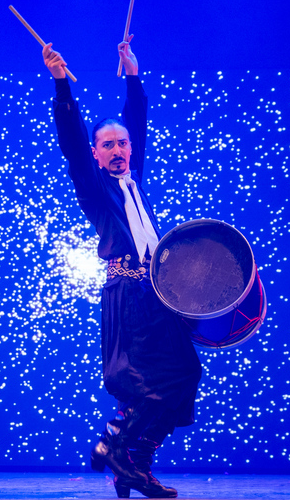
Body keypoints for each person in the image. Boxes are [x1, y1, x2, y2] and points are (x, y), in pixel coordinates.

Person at [42, 38, 202, 498]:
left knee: (184, 374)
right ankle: (121, 452)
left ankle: (129, 456)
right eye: (108, 145)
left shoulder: (134, 179)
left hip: (158, 294)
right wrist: (60, 86)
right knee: (148, 383)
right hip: (128, 292)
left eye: (123, 143)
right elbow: (71, 143)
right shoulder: (95, 190)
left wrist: (133, 74)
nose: (118, 149)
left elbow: (139, 122)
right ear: (96, 153)